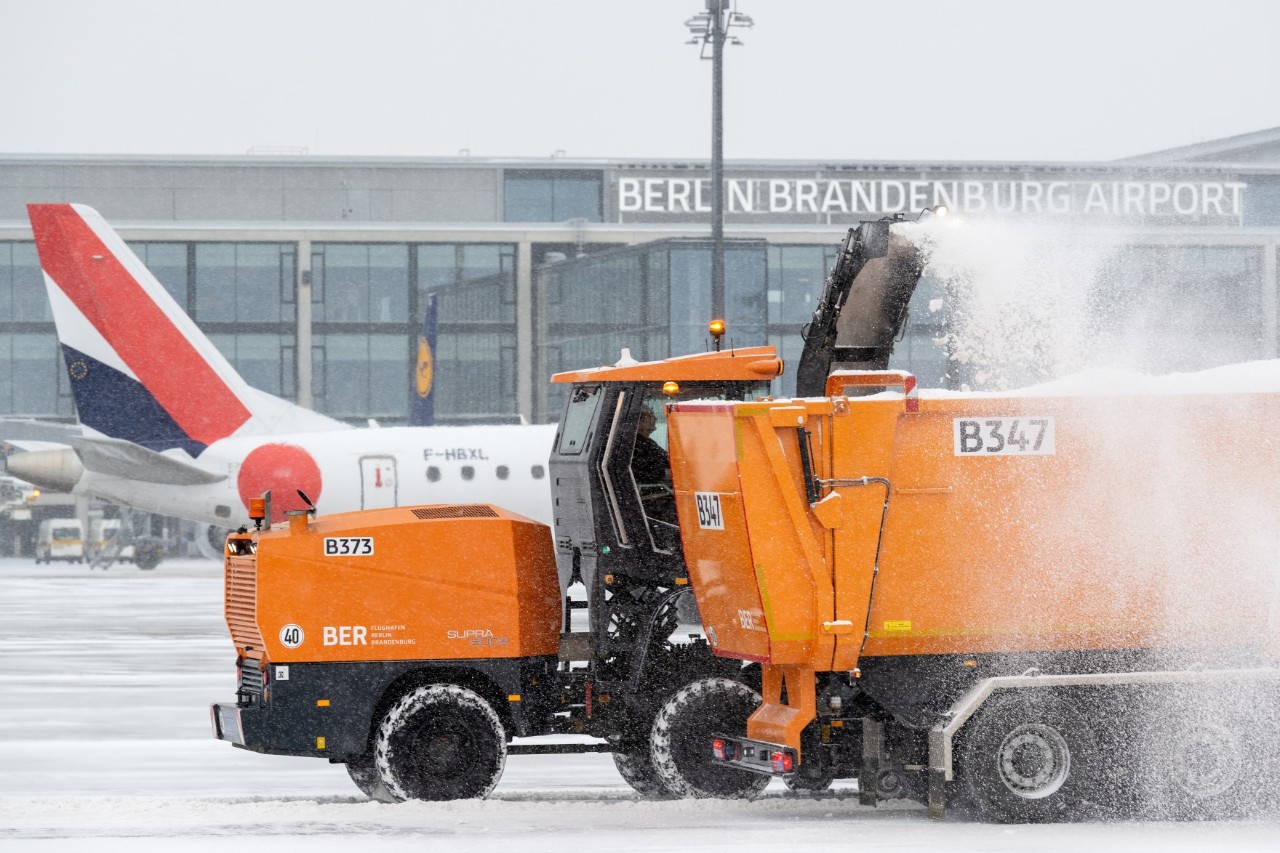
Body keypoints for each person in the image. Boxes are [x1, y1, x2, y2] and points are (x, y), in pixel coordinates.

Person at [630, 407, 670, 486]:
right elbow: (634, 473)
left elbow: (667, 459)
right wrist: (663, 474)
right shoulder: (628, 445)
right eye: (651, 415)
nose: (655, 419)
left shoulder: (648, 443)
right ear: (638, 422)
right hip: (645, 494)